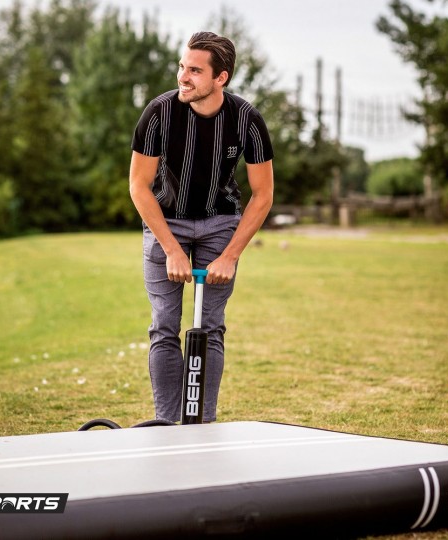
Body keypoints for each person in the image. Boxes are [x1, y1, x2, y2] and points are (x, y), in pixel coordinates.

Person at [129, 31, 274, 423]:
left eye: (195, 70)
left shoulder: (246, 120)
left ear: (220, 77)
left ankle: (201, 425)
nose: (183, 76)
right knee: (164, 326)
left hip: (220, 224)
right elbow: (139, 186)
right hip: (166, 222)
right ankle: (166, 424)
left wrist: (230, 256)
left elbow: (263, 195)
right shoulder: (158, 113)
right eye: (182, 66)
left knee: (210, 327)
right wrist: (171, 249)